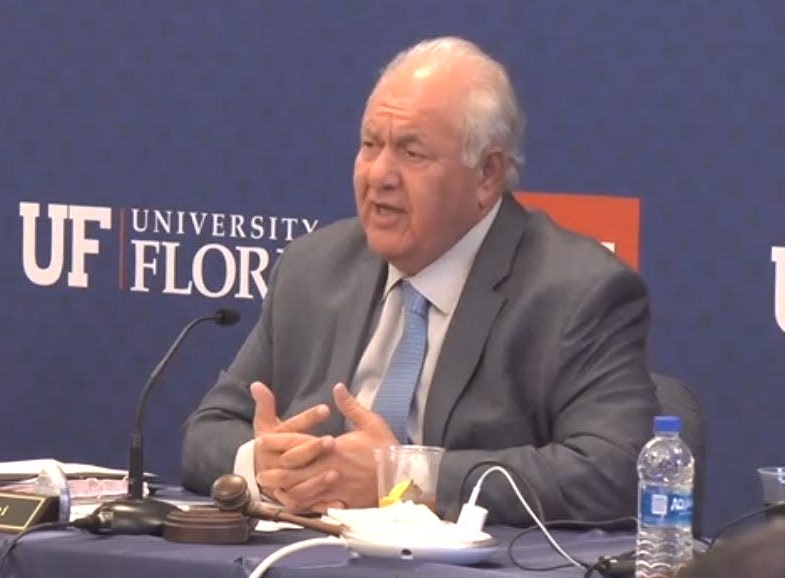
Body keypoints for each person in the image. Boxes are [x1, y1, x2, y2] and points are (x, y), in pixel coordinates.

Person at [182, 36, 658, 525]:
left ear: (488, 174)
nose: (379, 175)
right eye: (370, 145)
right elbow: (208, 432)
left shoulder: (577, 292)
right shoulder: (312, 267)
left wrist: (404, 476)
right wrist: (265, 463)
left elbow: (614, 475)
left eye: (412, 153)